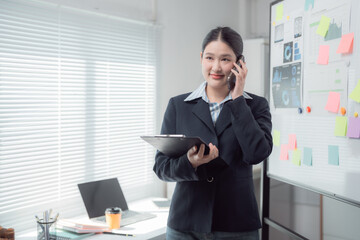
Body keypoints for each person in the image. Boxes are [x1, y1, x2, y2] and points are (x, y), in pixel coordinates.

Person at [153, 26, 273, 240]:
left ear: (239, 63)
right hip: (185, 225)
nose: (216, 67)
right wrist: (191, 163)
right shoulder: (178, 106)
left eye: (225, 59)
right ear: (201, 58)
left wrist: (237, 101)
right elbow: (162, 168)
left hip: (237, 225)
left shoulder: (255, 106)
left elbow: (257, 153)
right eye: (210, 58)